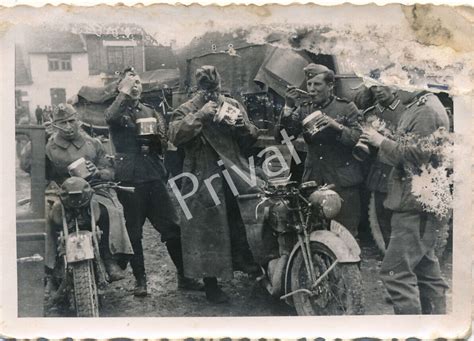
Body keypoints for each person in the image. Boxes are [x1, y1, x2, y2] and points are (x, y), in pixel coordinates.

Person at [104, 67, 201, 297]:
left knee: (172, 227)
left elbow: (165, 141)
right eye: (130, 83)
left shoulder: (150, 110)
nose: (135, 86)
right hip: (130, 180)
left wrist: (155, 139)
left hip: (154, 177)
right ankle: (140, 281)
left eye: (138, 82)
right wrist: (124, 94)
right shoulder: (117, 109)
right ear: (121, 88)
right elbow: (111, 118)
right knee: (134, 232)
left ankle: (185, 276)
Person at [169, 65, 262, 303]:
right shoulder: (186, 109)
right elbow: (175, 136)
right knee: (206, 229)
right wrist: (199, 116)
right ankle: (211, 286)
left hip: (234, 171)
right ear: (196, 88)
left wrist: (242, 125)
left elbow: (251, 137)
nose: (211, 92)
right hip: (203, 176)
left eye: (214, 87)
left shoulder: (232, 105)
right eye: (205, 88)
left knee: (247, 219)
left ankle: (257, 273)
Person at [360, 91, 450, 314]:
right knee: (426, 271)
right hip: (417, 203)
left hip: (414, 205)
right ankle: (436, 328)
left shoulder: (425, 110)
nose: (392, 87)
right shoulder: (419, 106)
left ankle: (411, 332)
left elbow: (418, 156)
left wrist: (380, 141)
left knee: (395, 273)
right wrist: (386, 137)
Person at [44, 103, 132, 283]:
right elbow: (30, 167)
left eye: (71, 121)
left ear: (78, 121)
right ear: (55, 125)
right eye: (62, 123)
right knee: (47, 215)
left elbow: (110, 170)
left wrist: (98, 171)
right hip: (59, 192)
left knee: (110, 211)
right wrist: (35, 142)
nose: (68, 127)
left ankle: (110, 258)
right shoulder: (48, 147)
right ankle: (52, 265)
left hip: (92, 190)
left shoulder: (93, 143)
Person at [275, 63, 363, 236]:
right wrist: (288, 107)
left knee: (345, 233)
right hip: (314, 180)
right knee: (314, 231)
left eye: (317, 84)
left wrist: (336, 126)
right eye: (309, 85)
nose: (312, 89)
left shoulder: (346, 107)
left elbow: (358, 139)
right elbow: (284, 138)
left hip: (342, 182)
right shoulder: (304, 109)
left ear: (330, 86)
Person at [361, 85, 406, 247]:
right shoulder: (370, 113)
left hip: (402, 171)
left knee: (404, 221)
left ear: (395, 88)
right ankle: (390, 258)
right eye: (374, 86)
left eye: (382, 86)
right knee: (383, 220)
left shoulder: (405, 109)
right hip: (381, 171)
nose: (378, 90)